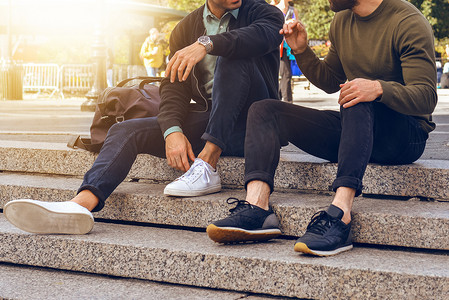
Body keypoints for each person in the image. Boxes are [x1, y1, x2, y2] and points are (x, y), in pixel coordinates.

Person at [3, 0, 284, 235]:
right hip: (211, 119)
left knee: (231, 53)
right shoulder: (185, 27)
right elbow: (174, 86)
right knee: (126, 130)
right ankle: (80, 204)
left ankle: (207, 163)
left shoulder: (264, 13)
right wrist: (172, 130)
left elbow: (260, 37)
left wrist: (207, 43)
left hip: (255, 124)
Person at [207, 0, 437, 256]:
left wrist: (378, 88)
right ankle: (257, 208)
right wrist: (302, 51)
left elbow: (426, 96)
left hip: (406, 135)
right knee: (264, 110)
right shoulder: (341, 21)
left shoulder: (407, 21)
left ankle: (340, 215)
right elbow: (330, 80)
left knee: (356, 96)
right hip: (358, 129)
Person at [271, 0, 299, 103]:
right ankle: (288, 102)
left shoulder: (293, 10)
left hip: (290, 48)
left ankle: (277, 98)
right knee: (286, 74)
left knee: (286, 74)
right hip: (279, 46)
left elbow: (297, 26)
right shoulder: (274, 8)